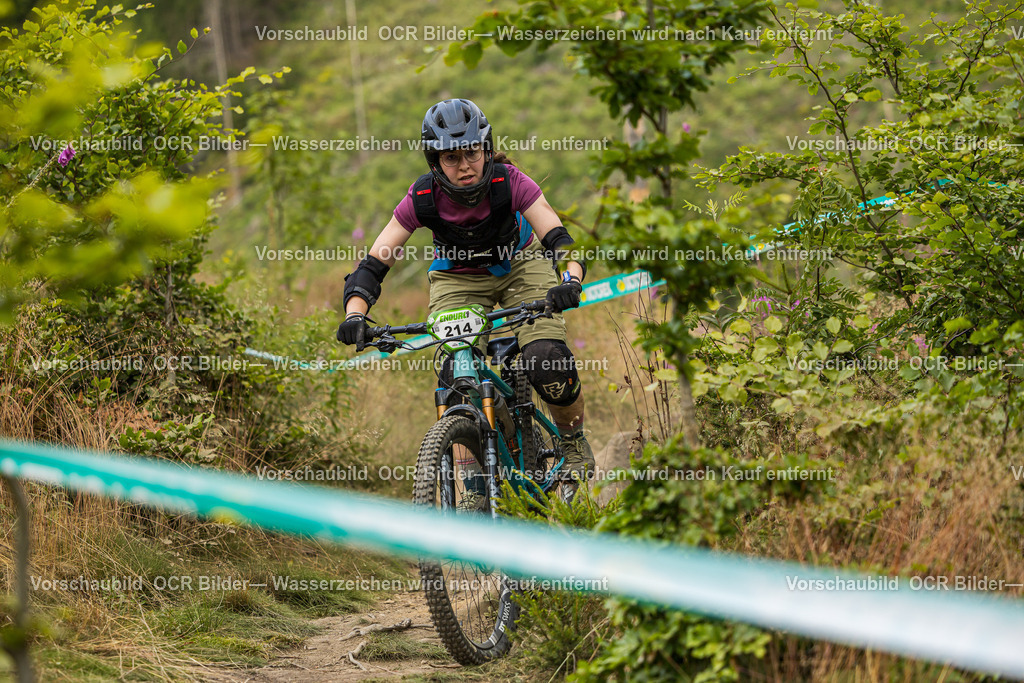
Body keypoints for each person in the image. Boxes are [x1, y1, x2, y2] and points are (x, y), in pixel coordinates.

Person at [337, 98, 594, 486]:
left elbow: (559, 239)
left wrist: (570, 281)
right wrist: (355, 315)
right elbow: (373, 265)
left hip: (521, 262)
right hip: (458, 277)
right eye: (450, 158)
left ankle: (574, 442)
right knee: (456, 379)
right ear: (434, 162)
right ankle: (477, 481)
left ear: (486, 148)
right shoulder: (422, 198)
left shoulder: (509, 181)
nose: (465, 166)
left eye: (472, 152)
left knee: (546, 358)